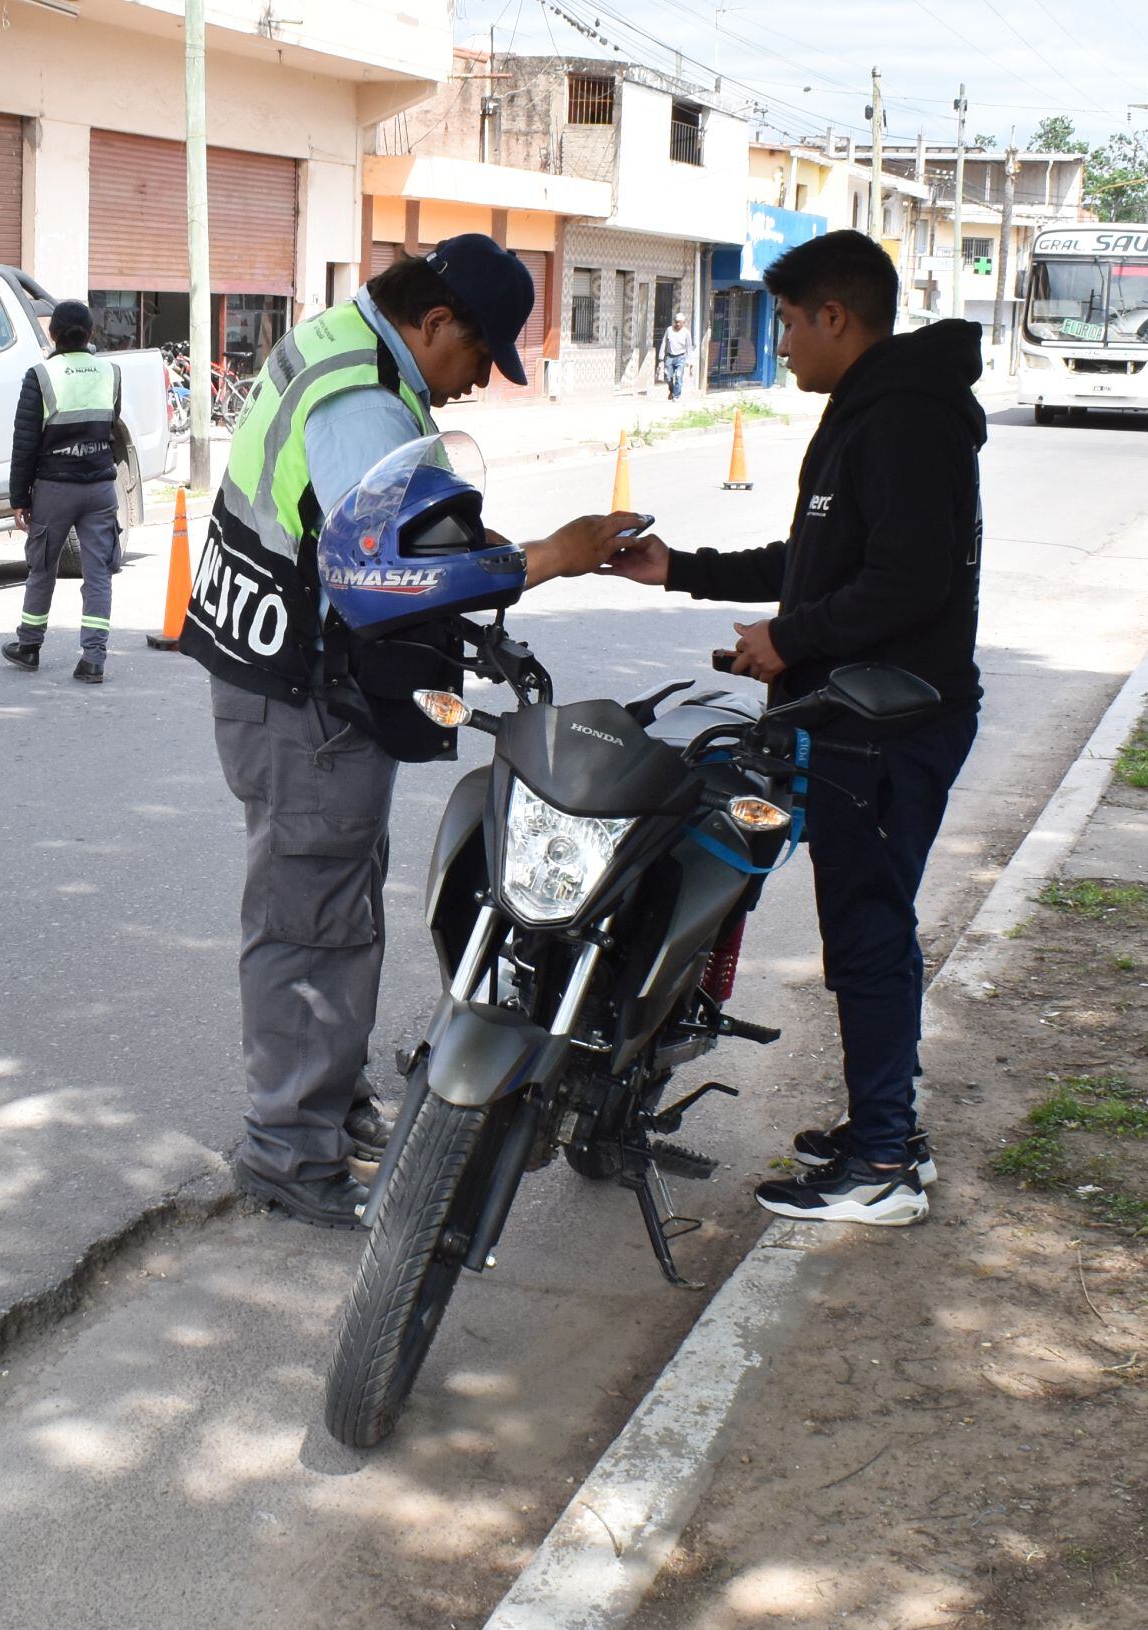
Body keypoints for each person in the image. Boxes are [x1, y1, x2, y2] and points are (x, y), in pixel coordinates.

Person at [179, 234, 645, 1228]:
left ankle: (329, 1105)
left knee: (333, 901)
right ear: (436, 324)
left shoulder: (344, 343)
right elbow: (378, 574)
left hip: (285, 676)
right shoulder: (365, 401)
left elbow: (374, 518)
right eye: (480, 357)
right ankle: (287, 1150)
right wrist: (543, 559)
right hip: (301, 688)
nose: (477, 383)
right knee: (309, 917)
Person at [604, 229, 983, 1227]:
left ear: (834, 317)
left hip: (890, 726)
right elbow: (817, 562)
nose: (780, 343)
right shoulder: (871, 412)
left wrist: (792, 637)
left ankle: (885, 1162)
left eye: (786, 321)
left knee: (867, 932)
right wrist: (684, 568)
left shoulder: (900, 420)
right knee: (860, 925)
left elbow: (907, 582)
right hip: (849, 715)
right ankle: (882, 1130)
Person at [3, 299, 130, 684]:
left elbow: (24, 443)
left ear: (51, 333)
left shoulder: (40, 376)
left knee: (42, 568)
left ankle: (29, 647)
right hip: (100, 488)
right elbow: (112, 424)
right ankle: (93, 659)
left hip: (54, 490)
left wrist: (18, 498)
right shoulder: (112, 373)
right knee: (98, 574)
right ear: (91, 333)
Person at [661, 311, 690, 400]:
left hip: (680, 357)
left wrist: (689, 361)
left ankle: (676, 396)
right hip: (670, 356)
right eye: (676, 322)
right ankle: (672, 391)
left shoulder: (686, 332)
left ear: (683, 323)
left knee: (678, 376)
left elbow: (689, 347)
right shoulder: (669, 330)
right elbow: (664, 342)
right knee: (668, 378)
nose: (678, 324)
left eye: (680, 322)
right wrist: (661, 356)